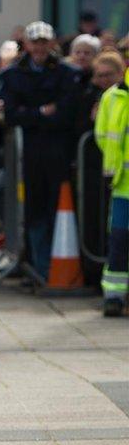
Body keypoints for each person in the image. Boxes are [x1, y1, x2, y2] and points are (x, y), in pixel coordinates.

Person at [0, 21, 79, 279]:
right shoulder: (13, 74)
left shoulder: (66, 72)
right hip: (28, 152)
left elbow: (66, 113)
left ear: (52, 43)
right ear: (27, 45)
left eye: (44, 42)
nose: (40, 48)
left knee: (56, 205)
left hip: (57, 149)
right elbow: (11, 114)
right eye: (36, 42)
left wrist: (31, 114)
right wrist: (42, 112)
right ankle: (35, 263)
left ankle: (53, 264)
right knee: (31, 207)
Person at [95, 66, 129, 317]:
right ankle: (114, 297)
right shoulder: (113, 96)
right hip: (122, 186)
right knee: (118, 242)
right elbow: (102, 134)